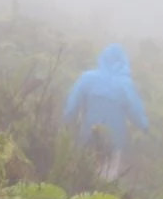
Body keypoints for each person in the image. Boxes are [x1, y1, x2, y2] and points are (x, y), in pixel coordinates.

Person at [63, 43, 150, 181]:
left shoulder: (87, 78)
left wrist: (66, 123)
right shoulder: (125, 85)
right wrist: (145, 127)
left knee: (82, 177)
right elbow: (136, 112)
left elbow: (72, 106)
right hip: (113, 141)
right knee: (105, 183)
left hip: (88, 136)